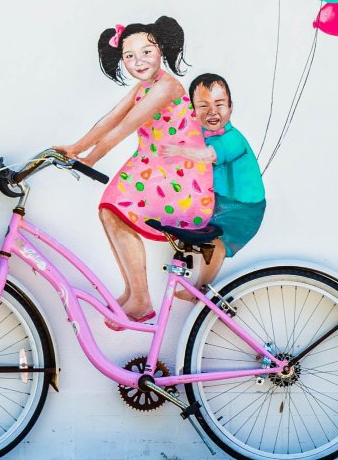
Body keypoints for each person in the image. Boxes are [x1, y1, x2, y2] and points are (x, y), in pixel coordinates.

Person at [56, 17, 214, 326]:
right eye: (129, 56)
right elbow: (111, 119)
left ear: (161, 50)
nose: (138, 61)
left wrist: (90, 160)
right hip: (152, 168)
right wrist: (75, 148)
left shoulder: (167, 87)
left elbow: (125, 128)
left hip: (180, 175)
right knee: (108, 212)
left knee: (117, 211)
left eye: (146, 52)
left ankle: (141, 300)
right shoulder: (145, 87)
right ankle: (133, 292)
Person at [161, 73, 266, 301]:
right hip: (217, 200)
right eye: (203, 105)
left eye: (219, 104)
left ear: (230, 108)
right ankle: (186, 266)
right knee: (185, 227)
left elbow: (208, 156)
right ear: (194, 110)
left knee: (217, 241)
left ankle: (201, 289)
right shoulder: (197, 134)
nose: (212, 111)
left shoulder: (233, 139)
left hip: (243, 207)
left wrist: (179, 151)